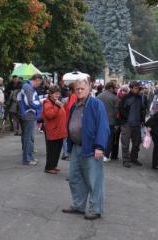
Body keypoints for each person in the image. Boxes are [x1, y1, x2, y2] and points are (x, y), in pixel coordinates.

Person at [63, 78, 110, 220]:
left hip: (91, 149)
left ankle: (96, 209)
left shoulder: (96, 104)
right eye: (77, 89)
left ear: (89, 90)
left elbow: (103, 126)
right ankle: (78, 205)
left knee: (94, 180)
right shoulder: (74, 105)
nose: (80, 91)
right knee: (75, 178)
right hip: (76, 148)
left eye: (82, 89)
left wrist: (99, 147)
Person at [119, 81, 145, 168]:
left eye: (138, 88)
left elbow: (142, 109)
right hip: (127, 124)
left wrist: (142, 119)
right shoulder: (125, 97)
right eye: (135, 88)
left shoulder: (139, 97)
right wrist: (127, 117)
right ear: (131, 88)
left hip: (137, 124)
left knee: (136, 143)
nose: (137, 90)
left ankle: (133, 157)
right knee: (125, 143)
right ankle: (126, 160)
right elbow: (120, 108)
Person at [20, 74, 45, 165]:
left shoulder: (27, 86)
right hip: (29, 114)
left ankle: (29, 157)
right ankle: (27, 159)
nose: (39, 85)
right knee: (28, 138)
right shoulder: (29, 88)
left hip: (29, 114)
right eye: (39, 83)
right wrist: (40, 103)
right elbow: (30, 102)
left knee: (29, 137)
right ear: (37, 80)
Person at [42, 85, 67, 174]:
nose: (58, 95)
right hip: (53, 129)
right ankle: (49, 167)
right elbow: (50, 114)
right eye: (56, 93)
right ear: (51, 94)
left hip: (58, 129)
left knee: (57, 149)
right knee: (52, 150)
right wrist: (57, 106)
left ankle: (53, 165)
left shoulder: (54, 101)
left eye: (58, 93)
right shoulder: (47, 102)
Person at [97, 82, 119, 162]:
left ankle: (99, 152)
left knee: (100, 136)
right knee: (110, 138)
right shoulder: (114, 98)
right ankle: (106, 155)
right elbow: (116, 111)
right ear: (111, 88)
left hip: (99, 120)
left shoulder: (98, 96)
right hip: (110, 121)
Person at [62, 82, 77, 160]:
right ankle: (68, 153)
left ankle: (69, 153)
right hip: (69, 119)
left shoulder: (73, 97)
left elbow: (71, 109)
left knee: (69, 138)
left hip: (70, 120)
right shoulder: (72, 97)